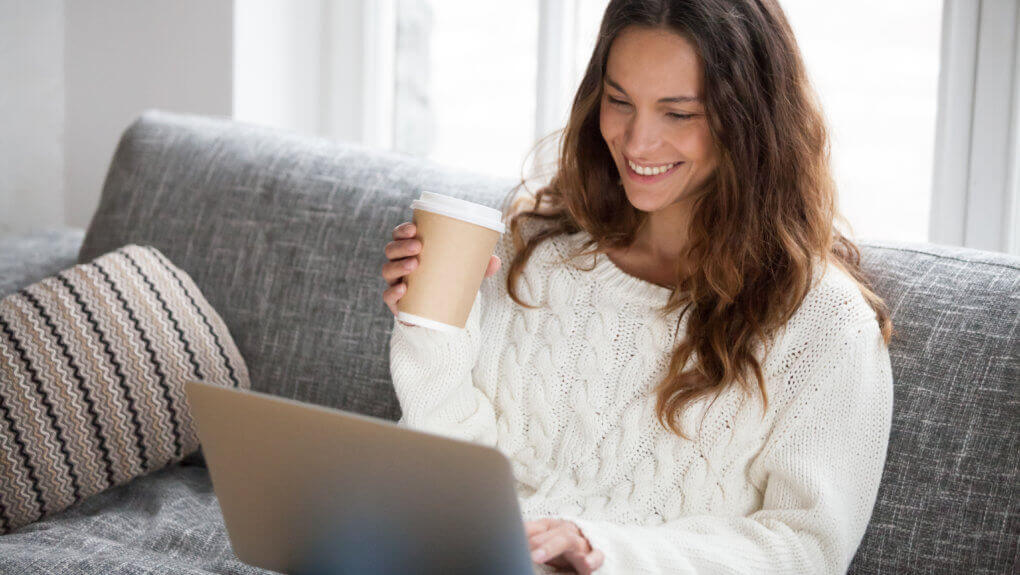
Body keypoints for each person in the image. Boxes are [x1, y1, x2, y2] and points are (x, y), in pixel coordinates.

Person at [382, 1, 895, 573]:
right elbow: (455, 470)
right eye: (619, 101)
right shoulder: (541, 250)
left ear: (750, 121)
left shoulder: (824, 324)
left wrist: (602, 551)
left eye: (678, 114)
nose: (636, 142)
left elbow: (804, 550)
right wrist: (431, 328)